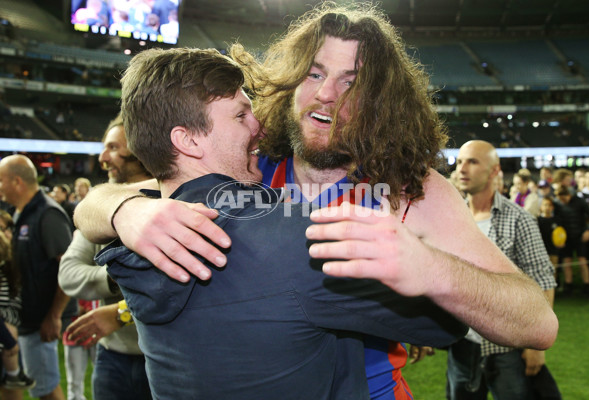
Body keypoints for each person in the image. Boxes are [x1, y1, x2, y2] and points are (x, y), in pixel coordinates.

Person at [74, 3, 558, 399]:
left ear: (380, 100)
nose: (327, 94)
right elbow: (95, 207)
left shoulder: (412, 190)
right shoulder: (247, 168)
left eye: (353, 81)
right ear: (290, 80)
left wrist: (430, 268)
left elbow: (538, 323)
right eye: (314, 72)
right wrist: (127, 211)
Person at [97, 46, 469, 400]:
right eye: (241, 116)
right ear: (188, 140)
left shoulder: (138, 234)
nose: (258, 126)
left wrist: (119, 209)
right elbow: (444, 324)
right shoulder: (296, 238)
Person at [449, 140, 557, 400]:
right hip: (462, 346)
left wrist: (537, 344)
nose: (462, 168)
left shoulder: (519, 219)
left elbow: (542, 280)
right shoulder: (452, 218)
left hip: (508, 345)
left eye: (472, 162)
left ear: (495, 171)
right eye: (460, 161)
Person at [58, 113, 153, 400]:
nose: (103, 157)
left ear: (139, 148)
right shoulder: (100, 207)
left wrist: (120, 313)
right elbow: (69, 273)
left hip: (162, 356)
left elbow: (177, 289)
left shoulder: (171, 201)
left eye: (113, 147)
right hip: (113, 357)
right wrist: (118, 276)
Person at [0, 155, 77, 400]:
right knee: (21, 384)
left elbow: (68, 268)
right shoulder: (22, 211)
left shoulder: (47, 214)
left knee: (45, 389)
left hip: (41, 320)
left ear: (16, 181)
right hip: (26, 318)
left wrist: (54, 316)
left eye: (1, 181)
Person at [0, 212, 36, 397]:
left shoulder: (12, 259)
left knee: (13, 391)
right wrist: (7, 338)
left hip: (10, 324)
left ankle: (14, 374)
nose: (5, 234)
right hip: (5, 329)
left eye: (7, 229)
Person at [554, 185, 589, 297]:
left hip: (579, 236)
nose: (562, 201)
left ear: (569, 195)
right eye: (560, 199)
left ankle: (587, 286)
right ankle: (568, 286)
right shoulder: (557, 203)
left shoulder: (579, 201)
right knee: (566, 262)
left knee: (582, 261)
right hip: (565, 238)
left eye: (564, 198)